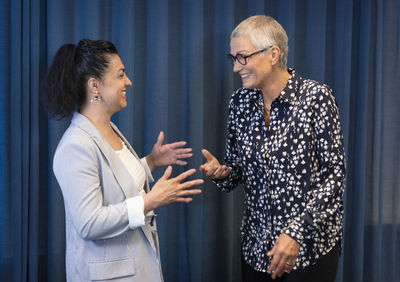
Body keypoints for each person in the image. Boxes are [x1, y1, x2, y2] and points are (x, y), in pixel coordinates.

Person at [200, 15, 346, 282]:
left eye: (242, 57)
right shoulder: (239, 103)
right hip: (257, 251)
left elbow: (334, 177)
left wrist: (296, 233)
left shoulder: (316, 98)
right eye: (233, 58)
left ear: (273, 54)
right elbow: (239, 170)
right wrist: (222, 173)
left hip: (307, 250)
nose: (236, 67)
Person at [45, 39, 203, 282]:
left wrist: (150, 161)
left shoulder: (109, 129)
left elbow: (114, 182)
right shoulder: (75, 146)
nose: (128, 82)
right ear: (94, 85)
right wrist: (150, 201)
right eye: (120, 75)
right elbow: (89, 223)